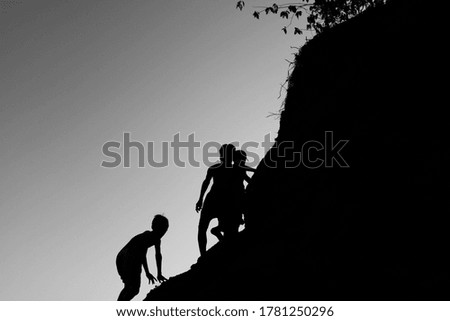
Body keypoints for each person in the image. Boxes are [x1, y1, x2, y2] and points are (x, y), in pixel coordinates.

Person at [116, 214, 169, 301]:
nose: (164, 232)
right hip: (127, 255)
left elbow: (158, 255)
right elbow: (142, 255)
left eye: (166, 229)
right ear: (154, 227)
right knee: (133, 287)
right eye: (162, 228)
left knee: (131, 288)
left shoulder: (156, 240)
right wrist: (147, 272)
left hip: (126, 256)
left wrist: (159, 273)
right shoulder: (147, 236)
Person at [195, 144, 236, 256]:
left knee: (225, 227)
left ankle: (221, 242)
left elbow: (238, 187)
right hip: (212, 200)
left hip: (224, 201)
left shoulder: (234, 170)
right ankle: (203, 255)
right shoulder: (215, 168)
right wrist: (200, 199)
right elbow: (206, 183)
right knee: (202, 227)